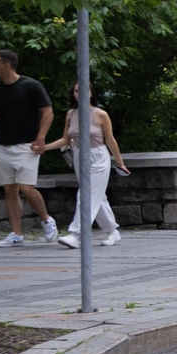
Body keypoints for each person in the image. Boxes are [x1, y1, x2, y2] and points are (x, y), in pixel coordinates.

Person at [0, 49, 57, 247]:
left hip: (27, 145)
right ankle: (16, 233)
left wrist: (41, 138)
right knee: (9, 189)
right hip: (1, 146)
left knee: (26, 188)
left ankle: (46, 219)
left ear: (7, 65)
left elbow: (48, 112)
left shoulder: (31, 86)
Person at [45, 83, 128, 247]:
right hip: (79, 155)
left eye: (84, 90)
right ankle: (112, 231)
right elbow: (66, 140)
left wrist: (120, 163)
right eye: (77, 91)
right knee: (97, 196)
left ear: (91, 93)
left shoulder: (101, 114)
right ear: (73, 94)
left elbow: (110, 140)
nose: (80, 93)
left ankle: (76, 234)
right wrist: (44, 148)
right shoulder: (71, 114)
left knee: (86, 194)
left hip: (98, 156)